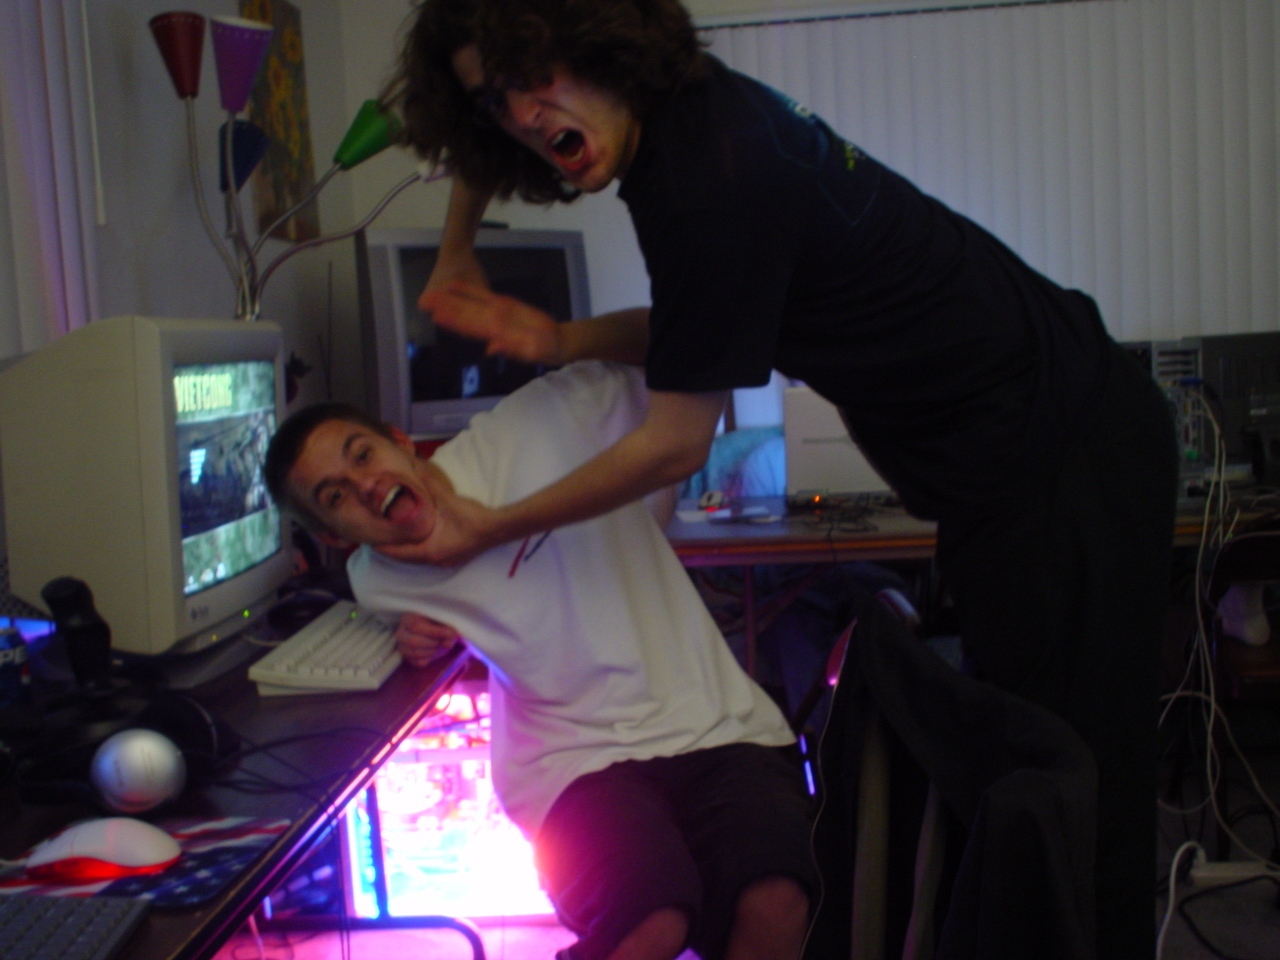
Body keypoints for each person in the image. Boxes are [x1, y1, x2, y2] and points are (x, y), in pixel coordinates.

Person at [381, 2, 1180, 956]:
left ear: (595, 35)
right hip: (1019, 461)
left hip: (1063, 456)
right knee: (1029, 785)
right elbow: (712, 316)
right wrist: (491, 278)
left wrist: (489, 525)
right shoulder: (685, 112)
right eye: (492, 103)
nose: (519, 114)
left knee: (1075, 798)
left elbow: (674, 444)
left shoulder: (705, 177)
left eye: (530, 73)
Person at [263, 360, 818, 960]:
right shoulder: (378, 582)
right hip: (569, 760)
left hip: (712, 720)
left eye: (363, 455)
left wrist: (563, 342)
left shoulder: (538, 420)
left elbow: (683, 348)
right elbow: (470, 608)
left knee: (776, 902)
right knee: (651, 926)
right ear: (336, 537)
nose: (366, 486)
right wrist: (414, 632)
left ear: (401, 443)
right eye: (336, 496)